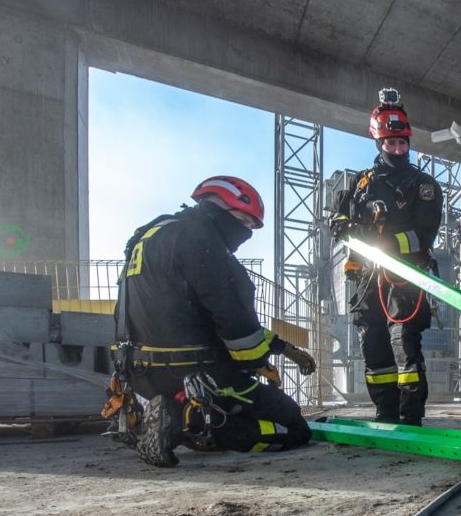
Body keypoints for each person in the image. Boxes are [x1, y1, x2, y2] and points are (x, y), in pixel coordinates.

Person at [113, 175, 316, 467]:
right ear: (219, 206)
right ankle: (190, 425)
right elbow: (230, 314)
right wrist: (257, 362)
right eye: (242, 221)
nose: (245, 233)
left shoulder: (149, 236)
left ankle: (167, 415)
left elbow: (199, 317)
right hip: (199, 372)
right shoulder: (202, 239)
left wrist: (283, 348)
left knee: (244, 405)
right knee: (295, 428)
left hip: (139, 373)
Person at [330, 88, 442, 426]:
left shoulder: (423, 185)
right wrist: (345, 226)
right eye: (390, 144)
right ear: (379, 144)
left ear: (409, 142)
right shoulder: (361, 184)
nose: (397, 149)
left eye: (402, 143)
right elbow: (338, 219)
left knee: (404, 341)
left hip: (404, 275)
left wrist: (390, 243)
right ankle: (385, 411)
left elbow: (424, 235)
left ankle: (411, 414)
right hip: (366, 276)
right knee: (373, 343)